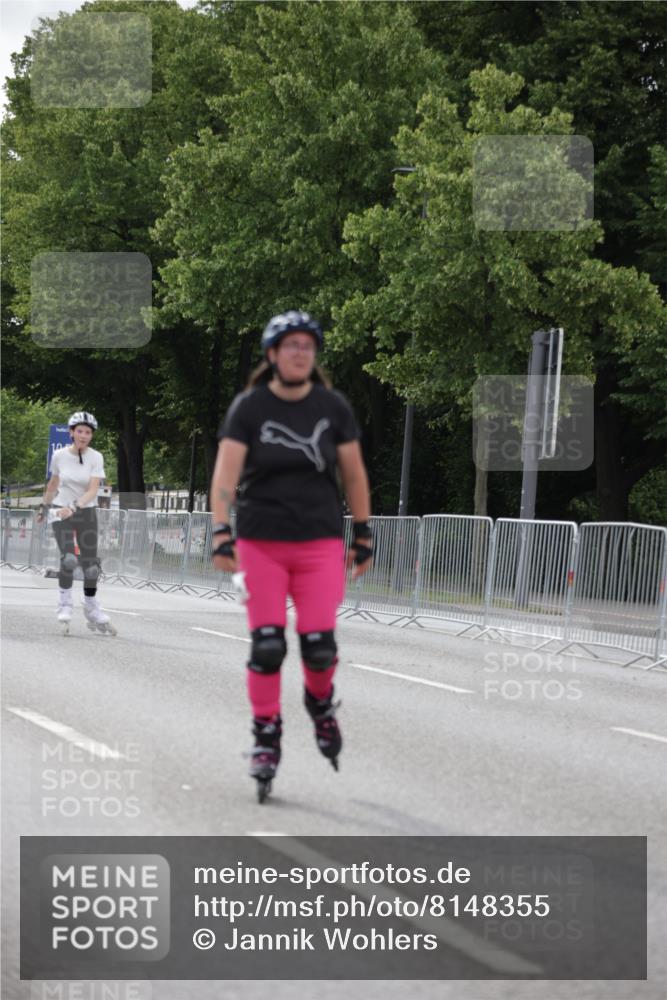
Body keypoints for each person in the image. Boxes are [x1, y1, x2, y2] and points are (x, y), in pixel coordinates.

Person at [211, 310, 373, 801]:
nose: (301, 352)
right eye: (291, 344)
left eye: (308, 345)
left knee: (318, 645)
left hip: (320, 543)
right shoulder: (249, 408)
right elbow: (224, 477)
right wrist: (221, 531)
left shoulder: (333, 407)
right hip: (261, 544)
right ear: (273, 354)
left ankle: (320, 704)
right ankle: (266, 735)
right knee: (266, 646)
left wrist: (363, 534)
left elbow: (354, 476)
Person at [37, 411, 116, 635]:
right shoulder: (59, 456)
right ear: (71, 433)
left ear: (92, 435)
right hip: (59, 512)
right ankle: (64, 604)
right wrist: (44, 507)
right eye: (79, 431)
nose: (83, 435)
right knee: (70, 559)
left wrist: (73, 507)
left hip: (84, 512)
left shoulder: (96, 457)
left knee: (91, 568)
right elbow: (53, 484)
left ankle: (91, 607)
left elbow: (92, 490)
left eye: (88, 432)